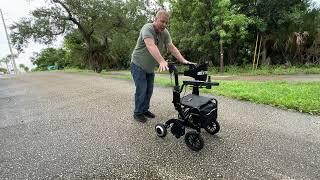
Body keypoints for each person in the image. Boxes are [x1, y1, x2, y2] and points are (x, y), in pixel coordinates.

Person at [130, 9, 192, 123]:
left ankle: (144, 110)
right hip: (137, 64)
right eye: (162, 21)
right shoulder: (147, 28)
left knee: (149, 90)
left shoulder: (165, 33)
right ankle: (138, 112)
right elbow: (150, 45)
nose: (164, 25)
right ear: (155, 19)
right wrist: (161, 61)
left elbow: (171, 47)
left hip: (149, 67)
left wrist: (183, 60)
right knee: (142, 89)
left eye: (166, 22)